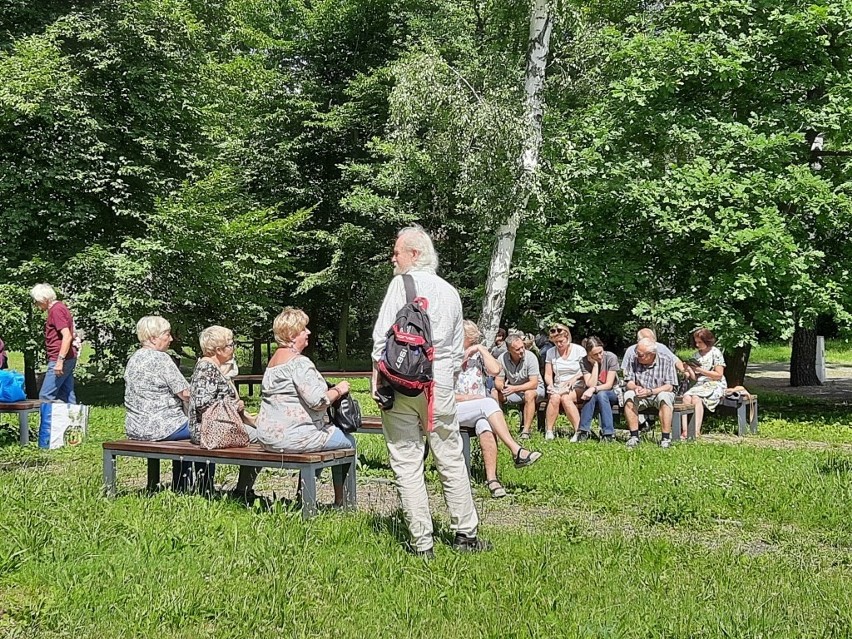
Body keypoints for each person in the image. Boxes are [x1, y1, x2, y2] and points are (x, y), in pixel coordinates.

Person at [371, 225, 487, 557]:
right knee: (450, 457)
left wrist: (378, 381)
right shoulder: (451, 292)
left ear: (416, 254)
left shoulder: (400, 284)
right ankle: (466, 534)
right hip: (441, 386)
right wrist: (443, 381)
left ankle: (422, 543)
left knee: (407, 460)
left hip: (402, 384)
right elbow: (453, 349)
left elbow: (382, 340)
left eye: (397, 252)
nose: (393, 258)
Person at [256, 307, 355, 507]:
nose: (308, 332)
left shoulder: (272, 364)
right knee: (348, 441)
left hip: (267, 437)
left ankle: (305, 493)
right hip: (293, 438)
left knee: (318, 438)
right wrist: (339, 389)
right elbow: (317, 402)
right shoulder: (299, 364)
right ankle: (342, 502)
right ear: (292, 335)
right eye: (304, 329)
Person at [456, 320, 542, 498]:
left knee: (486, 428)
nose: (472, 343)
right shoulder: (448, 356)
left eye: (474, 340)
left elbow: (495, 371)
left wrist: (480, 349)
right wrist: (471, 398)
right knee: (489, 402)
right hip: (454, 408)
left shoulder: (477, 354)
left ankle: (492, 480)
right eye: (470, 340)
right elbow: (440, 393)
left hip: (476, 409)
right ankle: (516, 450)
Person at [124, 315, 200, 490]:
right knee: (206, 431)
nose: (171, 338)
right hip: (162, 426)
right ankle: (203, 486)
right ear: (153, 338)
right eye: (167, 334)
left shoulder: (134, 358)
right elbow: (187, 394)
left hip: (136, 427)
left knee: (191, 429)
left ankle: (181, 484)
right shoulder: (161, 359)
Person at [189, 325, 258, 498]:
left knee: (259, 432)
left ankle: (244, 489)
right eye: (230, 344)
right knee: (264, 438)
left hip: (215, 427)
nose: (233, 348)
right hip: (207, 430)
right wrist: (235, 406)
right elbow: (202, 403)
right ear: (218, 350)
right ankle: (243, 491)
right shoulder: (207, 368)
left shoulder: (212, 366)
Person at [623, 338, 679, 448]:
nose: (637, 356)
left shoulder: (666, 360)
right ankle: (634, 436)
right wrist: (635, 388)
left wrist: (650, 392)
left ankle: (665, 439)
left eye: (641, 355)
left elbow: (670, 386)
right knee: (628, 395)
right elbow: (628, 382)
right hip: (640, 394)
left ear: (651, 354)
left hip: (658, 392)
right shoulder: (633, 359)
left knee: (664, 397)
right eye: (637, 353)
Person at [30, 284, 77, 403]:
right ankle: (74, 420)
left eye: (36, 301)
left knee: (46, 396)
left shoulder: (56, 311)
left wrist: (60, 361)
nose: (36, 305)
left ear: (44, 299)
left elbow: (67, 336)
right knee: (67, 395)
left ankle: (49, 421)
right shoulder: (60, 307)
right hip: (68, 357)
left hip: (60, 358)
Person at [495, 333, 546, 440]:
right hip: (514, 390)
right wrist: (502, 387)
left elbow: (534, 383)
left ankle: (525, 431)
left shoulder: (531, 357)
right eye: (517, 350)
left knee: (529, 394)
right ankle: (500, 429)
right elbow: (498, 381)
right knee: (494, 394)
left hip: (535, 389)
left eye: (522, 347)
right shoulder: (502, 359)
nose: (522, 351)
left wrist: (514, 388)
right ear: (509, 350)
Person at [542, 324, 586, 440]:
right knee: (554, 398)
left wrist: (574, 378)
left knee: (566, 398)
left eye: (561, 341)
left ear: (568, 338)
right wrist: (550, 385)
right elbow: (548, 374)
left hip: (577, 385)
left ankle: (578, 431)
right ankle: (549, 431)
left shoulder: (579, 350)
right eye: (556, 342)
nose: (559, 345)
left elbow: (586, 371)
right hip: (559, 385)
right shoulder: (551, 352)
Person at [682, 328, 727, 437]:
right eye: (696, 342)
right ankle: (685, 431)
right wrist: (688, 369)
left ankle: (696, 431)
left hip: (715, 383)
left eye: (700, 342)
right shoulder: (696, 355)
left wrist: (700, 370)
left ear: (707, 341)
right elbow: (695, 378)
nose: (697, 345)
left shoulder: (715, 353)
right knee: (686, 397)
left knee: (696, 398)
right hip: (700, 384)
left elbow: (719, 375)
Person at [576, 336, 620, 443]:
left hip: (612, 392)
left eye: (601, 352)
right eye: (595, 355)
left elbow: (609, 385)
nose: (600, 356)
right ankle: (583, 431)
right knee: (592, 396)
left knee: (601, 394)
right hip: (595, 393)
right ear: (589, 355)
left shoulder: (610, 357)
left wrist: (593, 389)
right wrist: (595, 366)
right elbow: (590, 384)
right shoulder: (584, 362)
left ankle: (608, 433)